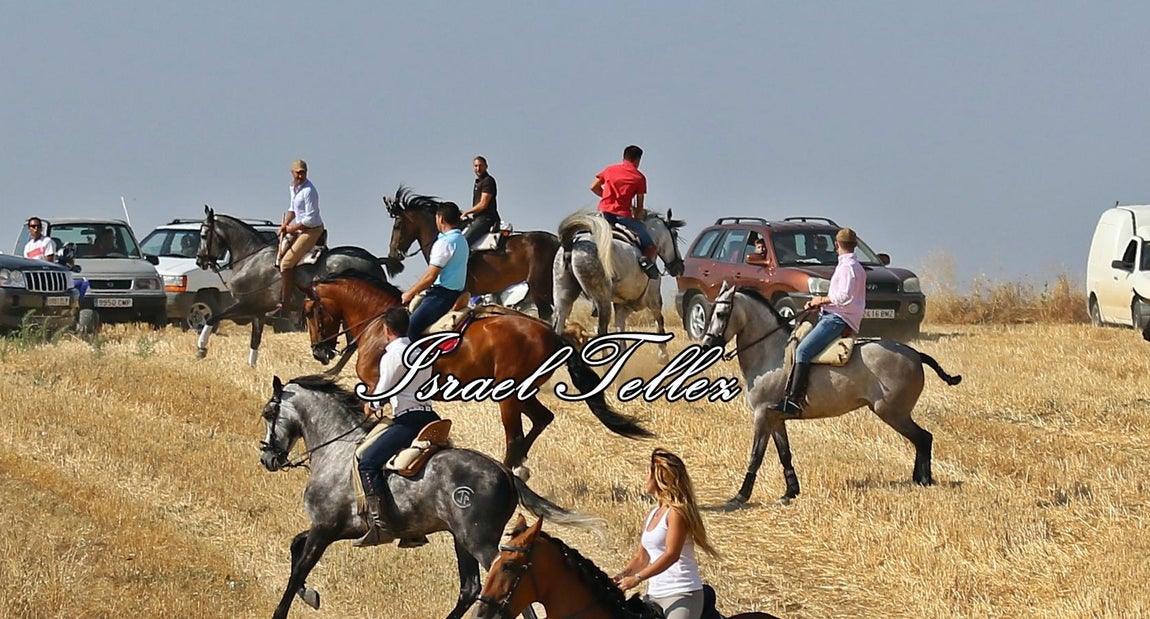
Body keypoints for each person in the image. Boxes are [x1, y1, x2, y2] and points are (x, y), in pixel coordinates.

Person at [354, 306, 441, 548]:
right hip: (431, 417)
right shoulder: (422, 352)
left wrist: (370, 405)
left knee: (368, 461)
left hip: (408, 421)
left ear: (386, 329)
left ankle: (382, 526)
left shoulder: (392, 355)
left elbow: (382, 394)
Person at [615, 448, 718, 619]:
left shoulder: (676, 514)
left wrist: (637, 579)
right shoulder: (652, 514)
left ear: (660, 477)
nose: (645, 479)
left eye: (648, 473)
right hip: (653, 596)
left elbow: (671, 555)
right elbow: (641, 558)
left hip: (682, 595)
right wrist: (621, 576)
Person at [773, 227, 867, 415]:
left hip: (837, 319)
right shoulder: (852, 266)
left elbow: (843, 297)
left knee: (803, 350)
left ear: (837, 245)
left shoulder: (848, 268)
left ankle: (793, 401)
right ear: (855, 246)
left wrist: (820, 300)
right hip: (835, 314)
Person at [401, 202, 470, 337]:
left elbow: (430, 276)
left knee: (408, 330)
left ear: (441, 219)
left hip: (440, 297)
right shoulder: (461, 239)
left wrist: (409, 293)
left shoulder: (444, 243)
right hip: (456, 293)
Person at [592, 145, 660, 279]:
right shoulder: (639, 178)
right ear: (638, 160)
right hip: (623, 217)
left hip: (602, 214)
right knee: (651, 246)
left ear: (624, 157)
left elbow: (593, 186)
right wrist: (637, 216)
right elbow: (640, 206)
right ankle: (646, 263)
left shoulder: (610, 170)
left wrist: (606, 197)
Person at [269, 159, 325, 317]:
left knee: (286, 264)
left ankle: (285, 306)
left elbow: (311, 218)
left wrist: (292, 228)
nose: (300, 175)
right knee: (279, 256)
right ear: (292, 173)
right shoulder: (293, 188)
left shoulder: (309, 191)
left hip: (311, 230)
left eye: (303, 172)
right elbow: (292, 209)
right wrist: (285, 224)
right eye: (298, 172)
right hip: (300, 229)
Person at [461, 155, 500, 248]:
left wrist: (467, 212)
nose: (478, 168)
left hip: (486, 219)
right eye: (476, 166)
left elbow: (483, 204)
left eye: (480, 166)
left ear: (486, 166)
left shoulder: (488, 181)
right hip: (478, 218)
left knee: (463, 243)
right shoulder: (478, 182)